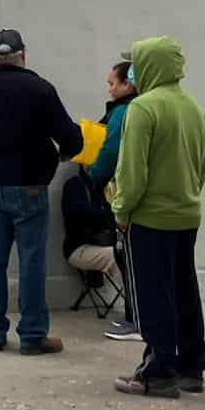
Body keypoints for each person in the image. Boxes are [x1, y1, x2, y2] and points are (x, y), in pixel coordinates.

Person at [0, 29, 82, 353]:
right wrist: (63, 154)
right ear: (24, 54)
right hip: (30, 187)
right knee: (31, 262)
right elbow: (70, 138)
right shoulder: (40, 89)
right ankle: (32, 335)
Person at [110, 36, 205, 399]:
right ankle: (191, 368)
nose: (132, 72)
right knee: (185, 291)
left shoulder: (142, 108)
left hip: (149, 218)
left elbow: (132, 172)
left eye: (136, 65)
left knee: (153, 295)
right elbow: (203, 165)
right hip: (187, 215)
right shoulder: (193, 107)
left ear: (150, 66)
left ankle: (158, 372)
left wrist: (121, 210)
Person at [87, 60, 138, 340]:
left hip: (124, 196)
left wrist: (93, 173)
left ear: (127, 84)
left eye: (112, 83)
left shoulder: (123, 112)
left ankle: (136, 318)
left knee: (127, 257)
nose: (109, 88)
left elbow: (110, 151)